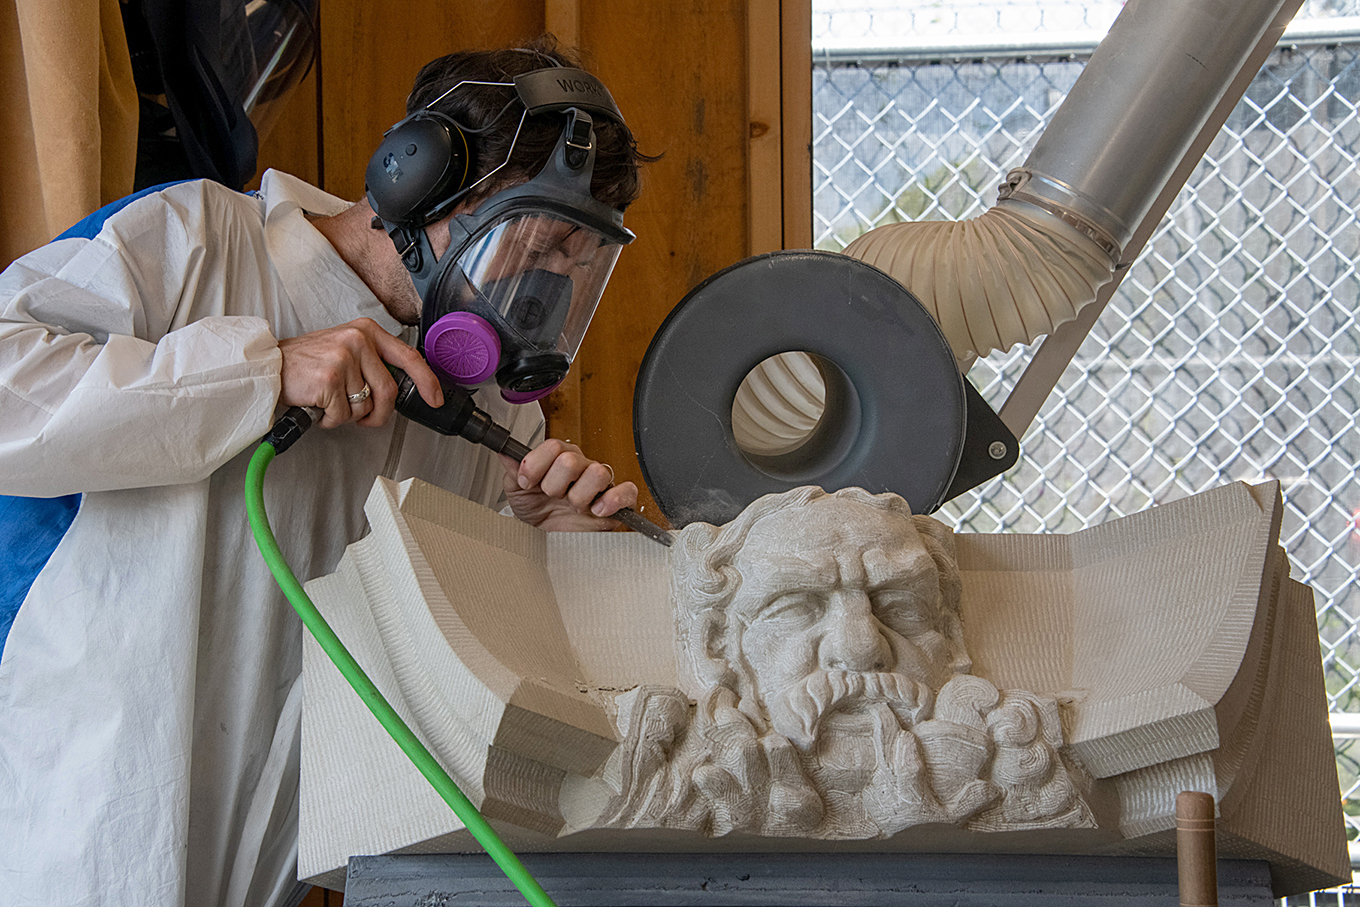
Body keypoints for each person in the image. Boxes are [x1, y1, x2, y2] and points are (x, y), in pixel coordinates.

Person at [0, 37, 645, 907]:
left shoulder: (490, 411)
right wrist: (258, 370)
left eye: (579, 262)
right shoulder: (196, 242)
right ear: (414, 179)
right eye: (535, 241)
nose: (543, 289)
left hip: (274, 861)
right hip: (75, 823)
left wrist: (547, 552)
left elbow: (467, 695)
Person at [593, 486, 1094, 838]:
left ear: (953, 638)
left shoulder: (1022, 752)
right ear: (717, 645)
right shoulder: (659, 778)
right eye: (795, 607)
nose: (860, 649)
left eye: (899, 605)